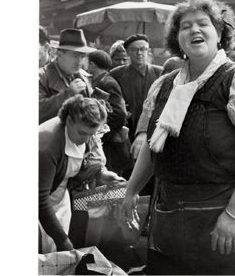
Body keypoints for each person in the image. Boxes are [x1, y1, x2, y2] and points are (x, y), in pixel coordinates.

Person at [121, 0, 235, 275]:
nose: (194, 29)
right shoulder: (165, 86)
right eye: (185, 26)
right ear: (177, 39)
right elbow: (154, 146)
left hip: (223, 216)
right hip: (169, 218)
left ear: (219, 32)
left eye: (203, 23)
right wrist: (132, 189)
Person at [39, 95, 125, 254]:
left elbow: (84, 162)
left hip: (59, 196)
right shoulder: (46, 147)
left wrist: (101, 174)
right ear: (69, 121)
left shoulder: (84, 134)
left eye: (91, 134)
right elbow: (40, 200)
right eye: (82, 133)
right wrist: (62, 239)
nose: (86, 139)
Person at [109, 34, 163, 158]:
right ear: (128, 52)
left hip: (152, 132)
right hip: (127, 132)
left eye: (143, 49)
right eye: (135, 50)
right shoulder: (116, 74)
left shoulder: (160, 73)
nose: (139, 53)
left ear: (148, 51)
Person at [87, 50, 132, 176]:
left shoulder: (107, 83)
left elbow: (119, 114)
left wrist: (102, 134)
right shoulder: (100, 81)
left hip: (111, 145)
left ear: (92, 64)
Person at [39, 28, 96, 124]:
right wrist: (68, 94)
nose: (79, 61)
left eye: (82, 56)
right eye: (75, 56)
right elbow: (39, 111)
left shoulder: (84, 76)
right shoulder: (42, 77)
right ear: (60, 54)